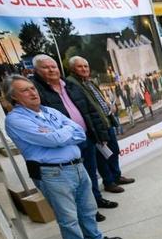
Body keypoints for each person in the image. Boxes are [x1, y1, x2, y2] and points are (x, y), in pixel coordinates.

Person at [3, 76, 123, 239]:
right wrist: (62, 133)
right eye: (25, 90)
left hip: (76, 165)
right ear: (14, 97)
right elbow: (53, 140)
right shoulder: (15, 120)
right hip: (53, 173)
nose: (33, 92)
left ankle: (94, 238)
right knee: (68, 217)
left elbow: (79, 131)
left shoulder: (49, 111)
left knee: (88, 208)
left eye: (32, 88)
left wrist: (59, 134)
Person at [30, 54, 117, 220]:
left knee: (89, 175)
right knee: (76, 180)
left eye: (53, 66)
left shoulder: (69, 85)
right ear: (36, 70)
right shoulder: (37, 91)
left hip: (86, 138)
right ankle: (89, 212)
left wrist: (99, 134)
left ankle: (96, 201)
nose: (51, 70)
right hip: (65, 144)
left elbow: (90, 111)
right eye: (45, 67)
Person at [66, 56, 136, 195]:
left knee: (113, 151)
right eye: (80, 66)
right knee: (102, 156)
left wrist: (109, 107)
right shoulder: (72, 85)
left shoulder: (89, 82)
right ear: (72, 69)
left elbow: (98, 102)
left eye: (86, 66)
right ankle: (109, 182)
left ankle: (116, 176)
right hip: (96, 127)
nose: (84, 69)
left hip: (106, 122)